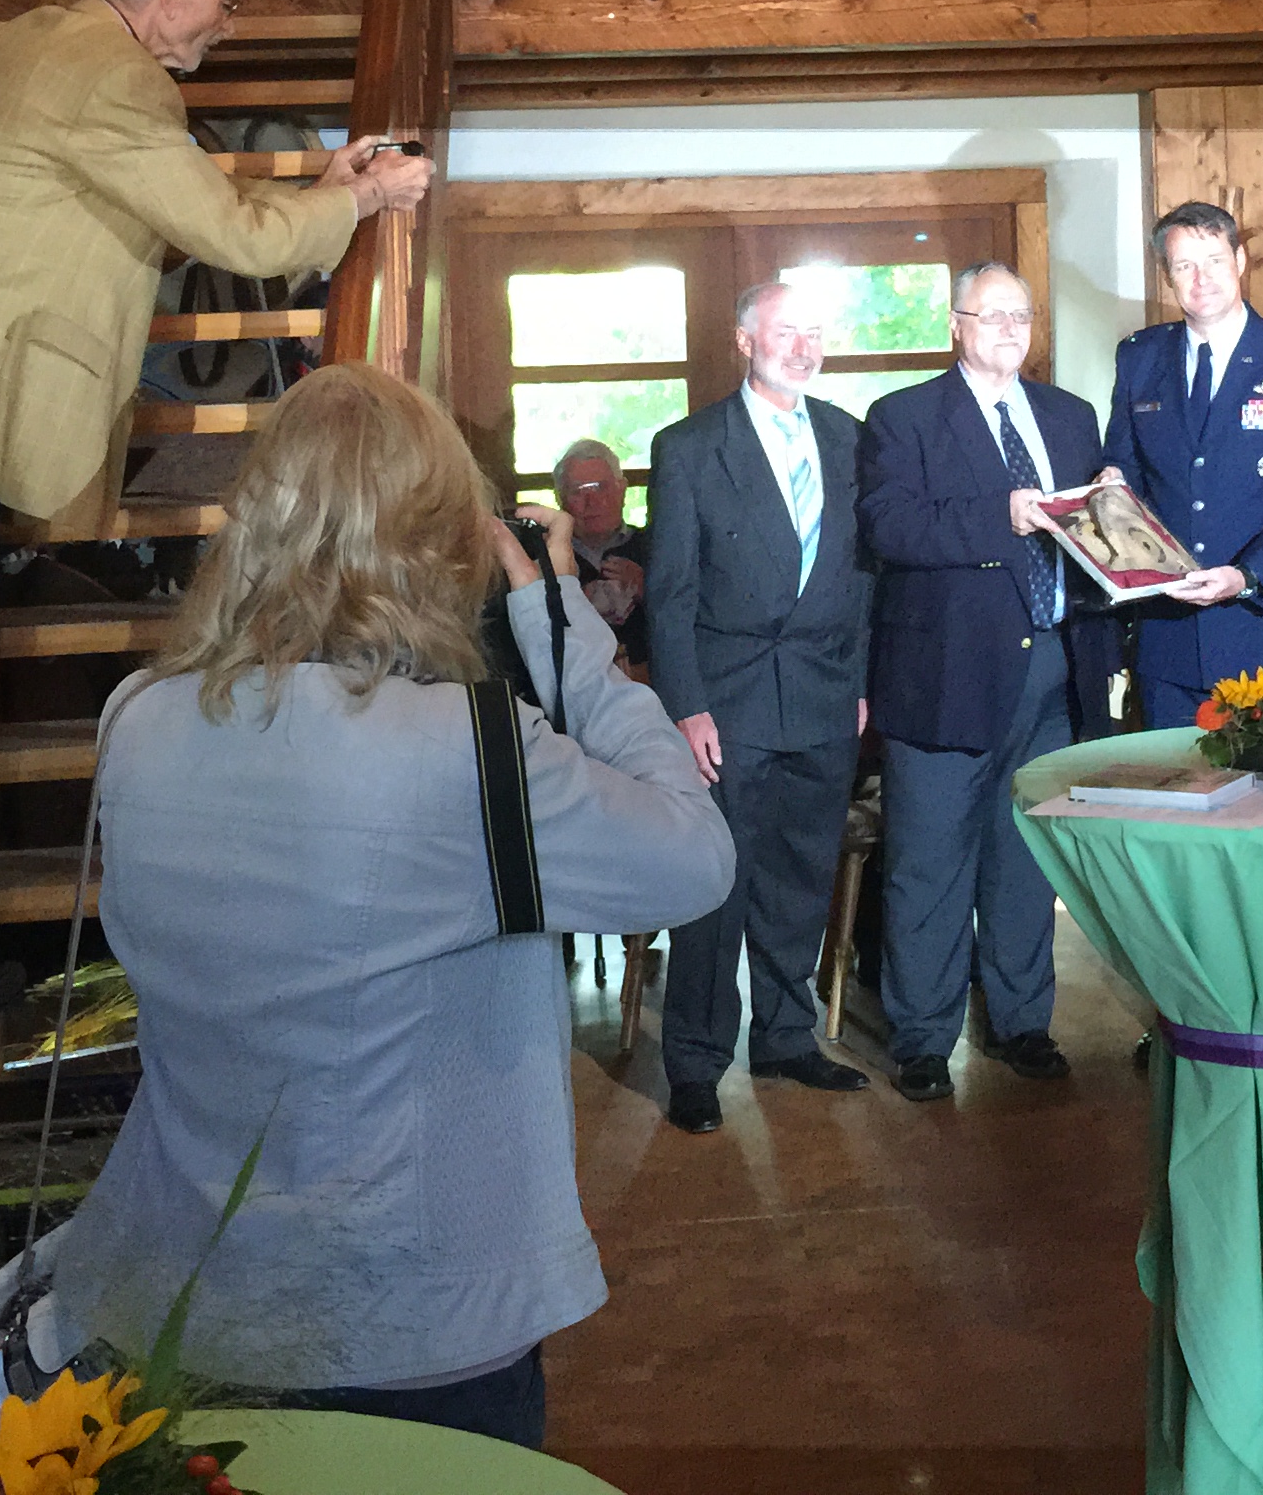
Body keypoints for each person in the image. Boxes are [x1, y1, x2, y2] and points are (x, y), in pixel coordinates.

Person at [0, 0, 432, 1059]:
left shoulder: (42, 43)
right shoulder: (112, 76)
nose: (228, 23)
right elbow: (236, 239)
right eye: (226, 1)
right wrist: (363, 196)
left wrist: (323, 184)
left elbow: (194, 202)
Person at [48, 365, 732, 1448]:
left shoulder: (136, 719)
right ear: (440, 542)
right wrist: (560, 621)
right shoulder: (468, 750)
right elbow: (694, 857)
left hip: (176, 1293)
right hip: (407, 1320)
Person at [857, 262, 1114, 1101]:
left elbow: (1093, 537)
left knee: (1025, 861)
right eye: (989, 315)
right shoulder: (902, 417)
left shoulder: (1070, 417)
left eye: (1019, 315)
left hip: (1054, 671)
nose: (1008, 329)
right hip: (944, 676)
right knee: (929, 866)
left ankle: (1022, 1022)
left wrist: (1111, 501)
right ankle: (924, 1039)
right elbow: (891, 526)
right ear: (955, 325)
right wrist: (999, 516)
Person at [642, 283, 875, 1132]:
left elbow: (864, 579)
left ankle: (785, 1037)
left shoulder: (850, 438)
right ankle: (696, 1064)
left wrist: (858, 683)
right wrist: (687, 706)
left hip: (824, 697)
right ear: (744, 340)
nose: (803, 348)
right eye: (785, 332)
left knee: (801, 878)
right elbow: (669, 593)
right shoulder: (689, 447)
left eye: (815, 333)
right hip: (728, 702)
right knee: (718, 883)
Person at [1103, 202, 1263, 726]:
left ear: (1239, 260)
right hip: (1167, 639)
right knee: (1172, 779)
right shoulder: (1140, 356)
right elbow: (1124, 473)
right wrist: (1110, 489)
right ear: (1167, 276)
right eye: (1184, 265)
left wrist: (1246, 576)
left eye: (1214, 260)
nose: (1202, 278)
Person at [552, 437, 650, 668]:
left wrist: (647, 589)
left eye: (601, 487)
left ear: (622, 490)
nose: (592, 501)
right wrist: (571, 603)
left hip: (648, 681)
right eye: (578, 491)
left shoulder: (654, 547)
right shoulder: (544, 557)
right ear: (560, 498)